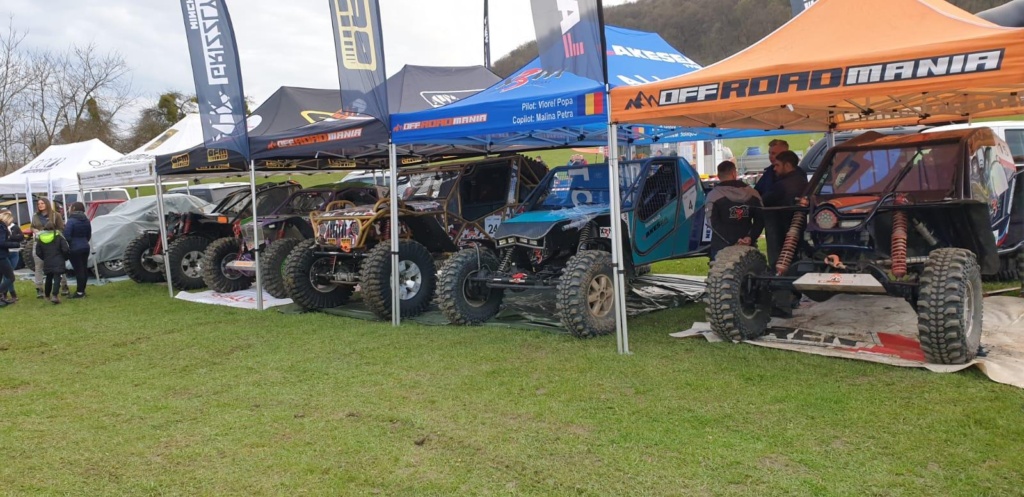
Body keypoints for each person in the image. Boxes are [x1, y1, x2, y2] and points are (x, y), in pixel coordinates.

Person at [762, 150, 809, 317]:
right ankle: (793, 298)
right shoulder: (802, 181)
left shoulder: (782, 185)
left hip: (781, 231)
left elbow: (763, 200)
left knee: (780, 265)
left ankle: (782, 305)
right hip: (797, 231)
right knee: (794, 263)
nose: (774, 169)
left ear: (787, 165)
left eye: (777, 165)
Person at [705, 161, 763, 261]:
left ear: (718, 176)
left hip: (722, 247)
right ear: (734, 173)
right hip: (748, 245)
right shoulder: (753, 193)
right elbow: (761, 219)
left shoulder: (713, 196)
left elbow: (713, 223)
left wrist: (734, 240)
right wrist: (750, 237)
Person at [31, 197, 67, 298]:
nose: (40, 205)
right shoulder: (35, 216)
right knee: (39, 265)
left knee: (58, 265)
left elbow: (61, 228)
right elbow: (32, 226)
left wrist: (52, 232)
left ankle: (64, 285)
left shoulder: (56, 215)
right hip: (40, 241)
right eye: (39, 204)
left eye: (42, 203)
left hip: (53, 243)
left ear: (47, 204)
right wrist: (34, 230)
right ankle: (39, 288)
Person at [34, 219, 69, 304]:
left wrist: (44, 257)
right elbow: (65, 249)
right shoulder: (59, 237)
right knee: (57, 277)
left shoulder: (40, 238)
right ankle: (55, 295)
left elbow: (38, 251)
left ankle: (47, 295)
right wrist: (64, 257)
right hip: (58, 259)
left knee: (48, 278)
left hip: (47, 260)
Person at [64, 202, 92, 299]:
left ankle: (80, 292)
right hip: (85, 246)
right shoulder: (86, 220)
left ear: (74, 208)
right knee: (84, 269)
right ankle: (82, 290)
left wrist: (71, 243)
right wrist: (84, 241)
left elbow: (67, 235)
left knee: (78, 270)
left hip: (75, 247)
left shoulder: (71, 221)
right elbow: (89, 234)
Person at [0, 210, 22, 307]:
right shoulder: (2, 227)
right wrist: (15, 244)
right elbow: (1, 243)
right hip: (1, 256)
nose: (10, 224)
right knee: (10, 277)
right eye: (9, 222)